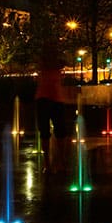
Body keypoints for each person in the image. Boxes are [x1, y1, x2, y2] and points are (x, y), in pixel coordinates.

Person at [35, 44, 69, 172]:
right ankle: (54, 162)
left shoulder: (52, 63)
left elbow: (63, 62)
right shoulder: (46, 63)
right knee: (52, 132)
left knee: (53, 132)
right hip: (50, 99)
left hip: (49, 99)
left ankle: (53, 162)